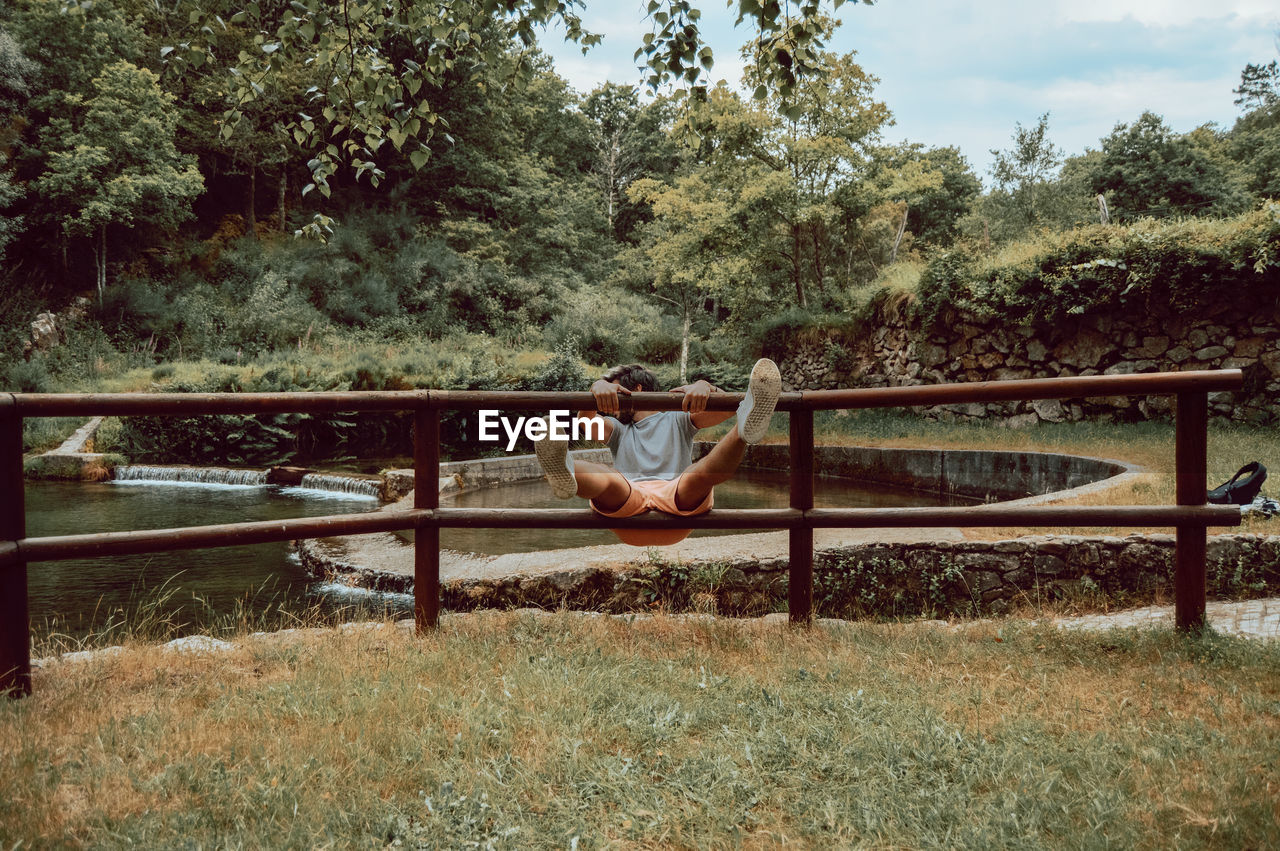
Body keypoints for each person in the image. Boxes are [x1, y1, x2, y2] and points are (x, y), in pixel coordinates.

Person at [533, 358, 781, 546]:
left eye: (616, 393)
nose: (613, 407)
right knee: (607, 477)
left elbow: (724, 410)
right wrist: (596, 389)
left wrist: (706, 388)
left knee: (699, 473)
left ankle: (744, 428)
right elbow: (585, 423)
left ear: (638, 389)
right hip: (629, 505)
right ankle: (565, 467)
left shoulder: (677, 419)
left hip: (677, 504)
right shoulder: (618, 430)